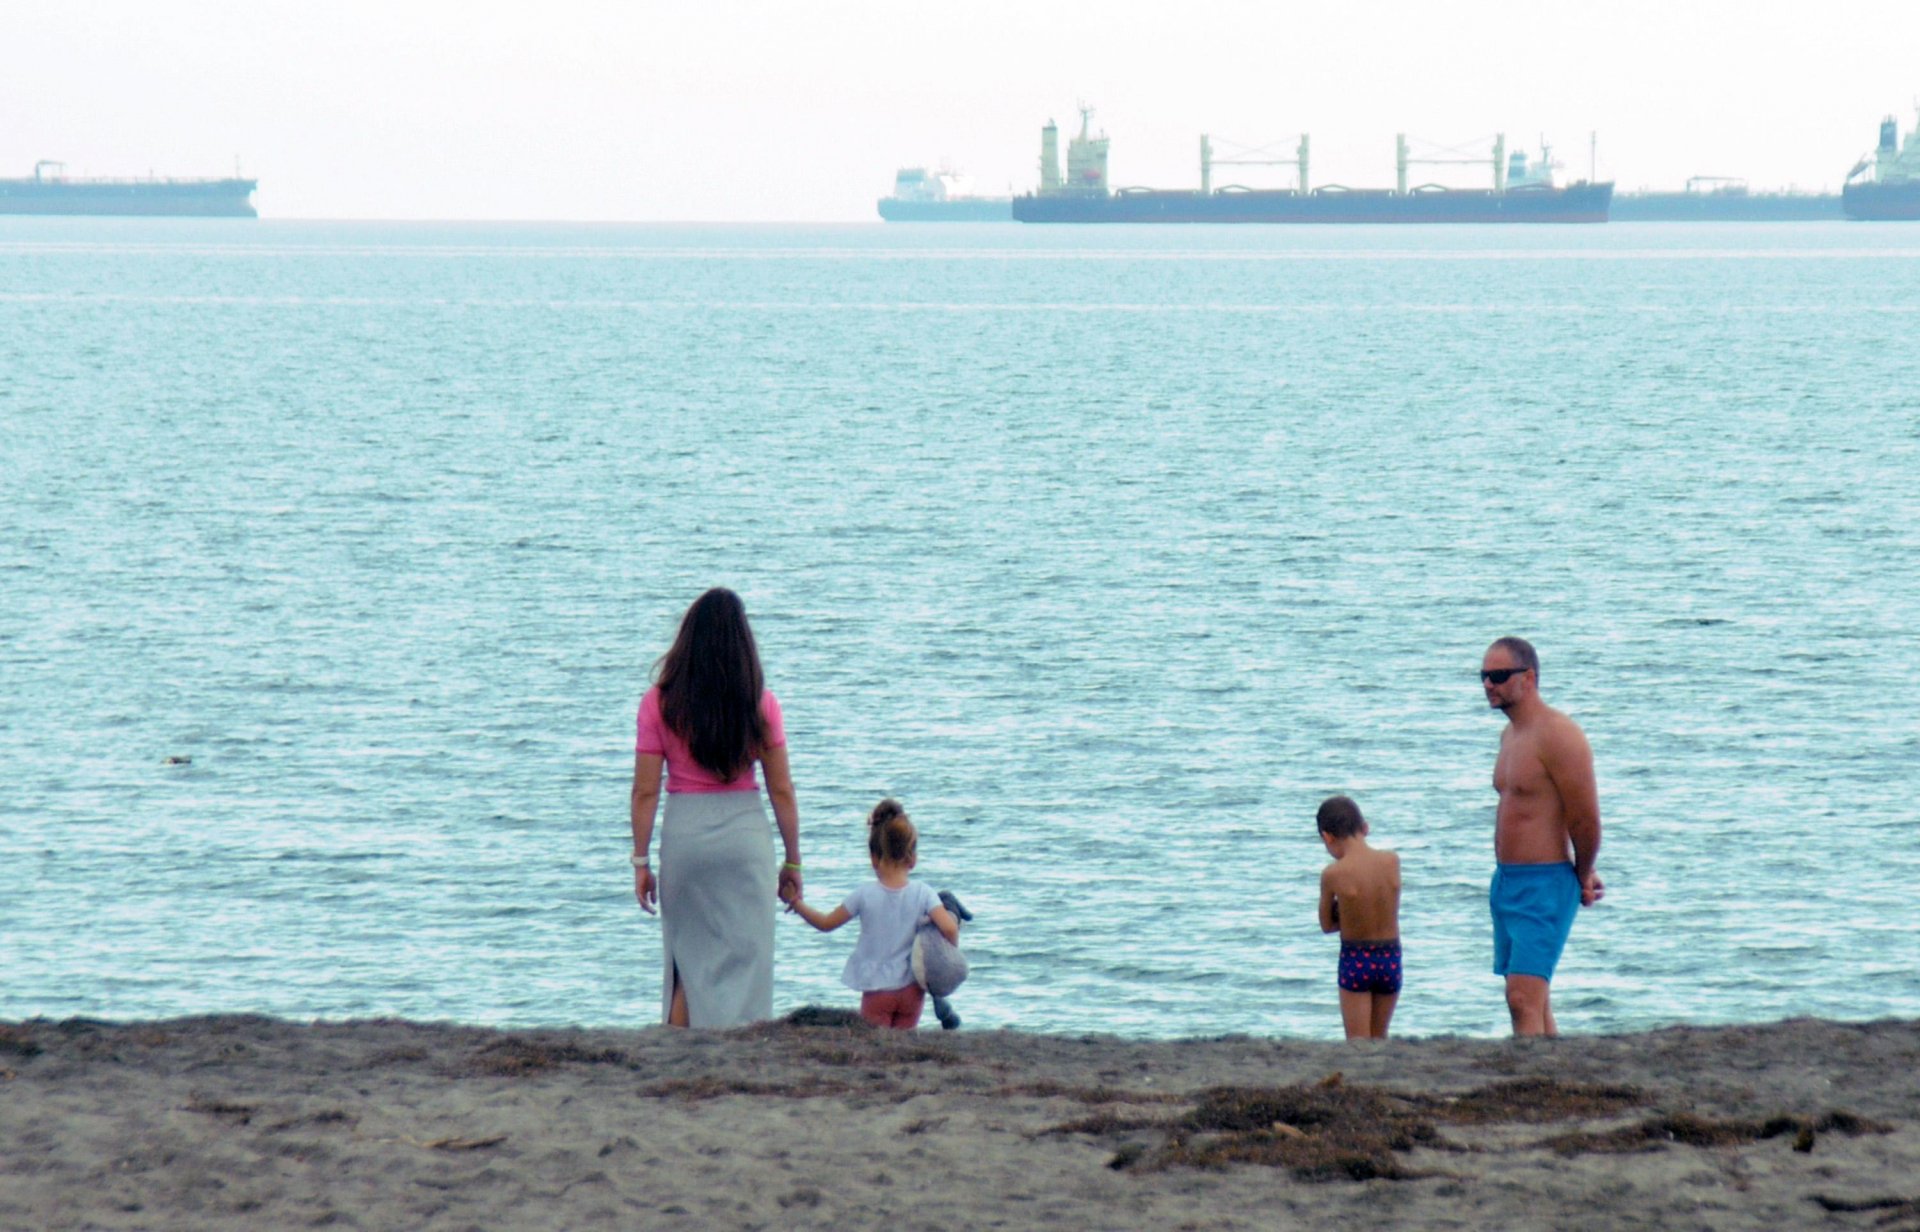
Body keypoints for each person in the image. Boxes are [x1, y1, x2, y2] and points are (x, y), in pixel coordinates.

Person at [630, 587, 803, 1028]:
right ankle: (739, 1055)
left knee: (686, 961)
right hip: (744, 836)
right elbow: (781, 790)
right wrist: (793, 861)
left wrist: (640, 860)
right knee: (747, 956)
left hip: (685, 836)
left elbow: (645, 792)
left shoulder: (659, 703)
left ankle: (677, 1056)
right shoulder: (760, 704)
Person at [1481, 636, 1603, 1037]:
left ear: (1529, 677)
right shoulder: (1510, 736)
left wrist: (1583, 873)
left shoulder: (1560, 735)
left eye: (1498, 676)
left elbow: (1584, 819)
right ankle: (1556, 1080)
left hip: (1546, 882)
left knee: (1522, 999)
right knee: (1533, 1000)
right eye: (1483, 677)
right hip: (1507, 882)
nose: (1488, 685)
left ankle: (1528, 1086)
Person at [781, 799, 960, 1029]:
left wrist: (796, 903)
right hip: (911, 990)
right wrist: (945, 957)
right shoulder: (924, 893)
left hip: (878, 989)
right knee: (902, 1048)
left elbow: (826, 923)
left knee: (876, 1049)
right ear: (912, 858)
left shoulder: (864, 895)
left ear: (873, 857)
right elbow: (949, 928)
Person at [1316, 795, 1403, 1040]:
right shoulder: (1392, 861)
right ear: (1365, 827)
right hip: (1390, 956)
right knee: (1379, 1039)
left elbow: (1327, 925)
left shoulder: (1333, 873)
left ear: (1327, 836)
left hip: (1356, 957)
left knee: (1357, 1045)